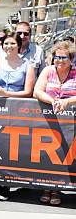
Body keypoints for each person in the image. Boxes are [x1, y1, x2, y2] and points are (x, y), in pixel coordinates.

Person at [0, 32, 36, 201]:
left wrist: (6, 93)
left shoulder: (27, 65)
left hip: (17, 111)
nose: (9, 47)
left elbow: (29, 91)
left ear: (18, 46)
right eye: (6, 43)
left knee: (11, 147)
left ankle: (7, 185)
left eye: (12, 44)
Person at [33, 40, 76, 206]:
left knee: (65, 155)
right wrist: (52, 100)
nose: (59, 60)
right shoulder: (48, 70)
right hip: (48, 120)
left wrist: (68, 102)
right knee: (48, 153)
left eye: (63, 57)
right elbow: (37, 91)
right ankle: (46, 187)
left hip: (70, 122)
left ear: (71, 58)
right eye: (56, 57)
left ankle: (58, 188)